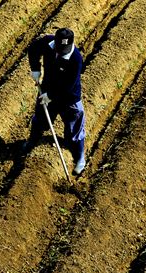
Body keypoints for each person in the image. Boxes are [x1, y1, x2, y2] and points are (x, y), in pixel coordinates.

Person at [24, 27, 86, 175]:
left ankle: (79, 158)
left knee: (74, 128)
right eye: (59, 48)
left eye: (64, 49)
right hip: (47, 90)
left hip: (69, 98)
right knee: (41, 119)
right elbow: (33, 49)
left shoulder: (76, 59)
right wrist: (35, 69)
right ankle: (32, 142)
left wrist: (50, 95)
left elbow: (68, 86)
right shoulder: (47, 42)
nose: (61, 52)